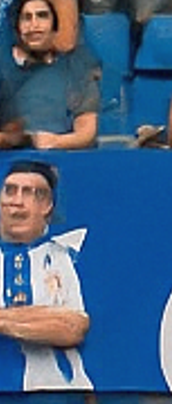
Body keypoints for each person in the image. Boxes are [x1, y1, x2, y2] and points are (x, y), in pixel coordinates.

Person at [0, 159, 89, 384]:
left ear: (47, 205)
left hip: (53, 388)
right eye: (10, 191)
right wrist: (43, 317)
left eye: (29, 193)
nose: (16, 202)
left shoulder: (63, 256)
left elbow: (72, 328)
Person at [0, 0, 99, 154]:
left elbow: (87, 131)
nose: (34, 25)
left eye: (42, 16)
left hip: (61, 156)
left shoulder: (76, 66)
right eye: (26, 18)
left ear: (55, 27)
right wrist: (10, 139)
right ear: (17, 28)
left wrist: (56, 142)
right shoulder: (3, 68)